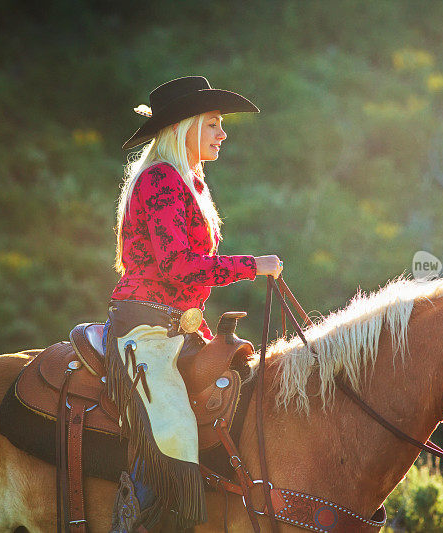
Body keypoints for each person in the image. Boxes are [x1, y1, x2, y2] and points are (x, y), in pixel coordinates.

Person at [105, 76, 282, 532]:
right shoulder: (161, 180)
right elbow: (177, 266)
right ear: (184, 128)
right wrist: (252, 265)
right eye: (213, 124)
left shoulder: (190, 183)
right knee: (174, 430)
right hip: (144, 328)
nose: (222, 134)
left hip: (181, 328)